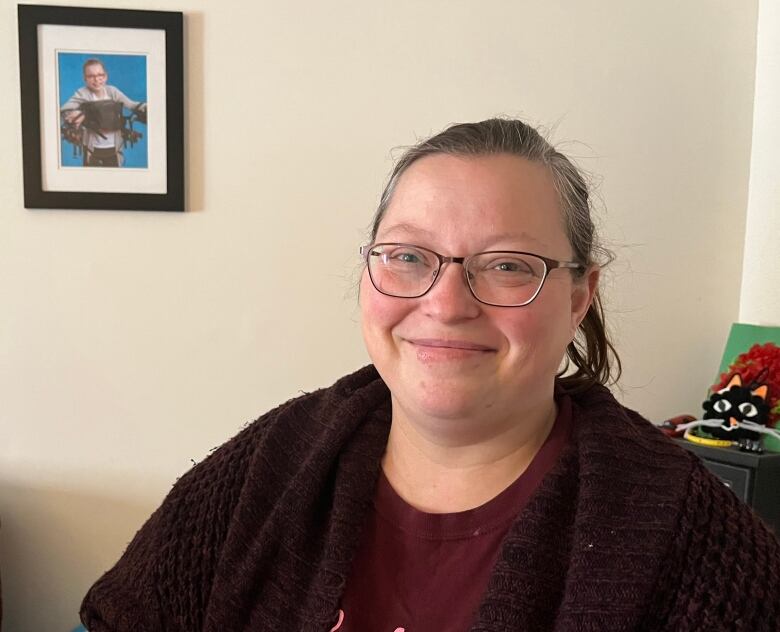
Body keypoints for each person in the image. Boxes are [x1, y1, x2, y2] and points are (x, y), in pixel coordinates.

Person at [80, 118, 780, 631]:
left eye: (508, 266)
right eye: (408, 257)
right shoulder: (264, 470)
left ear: (578, 297)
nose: (445, 305)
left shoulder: (692, 540)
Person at [60, 58, 147, 167]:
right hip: (92, 149)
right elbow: (64, 110)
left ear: (105, 76)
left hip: (115, 148)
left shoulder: (112, 91)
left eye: (100, 75)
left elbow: (132, 105)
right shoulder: (82, 93)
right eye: (91, 76)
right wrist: (78, 114)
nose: (96, 80)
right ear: (85, 78)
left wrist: (146, 108)